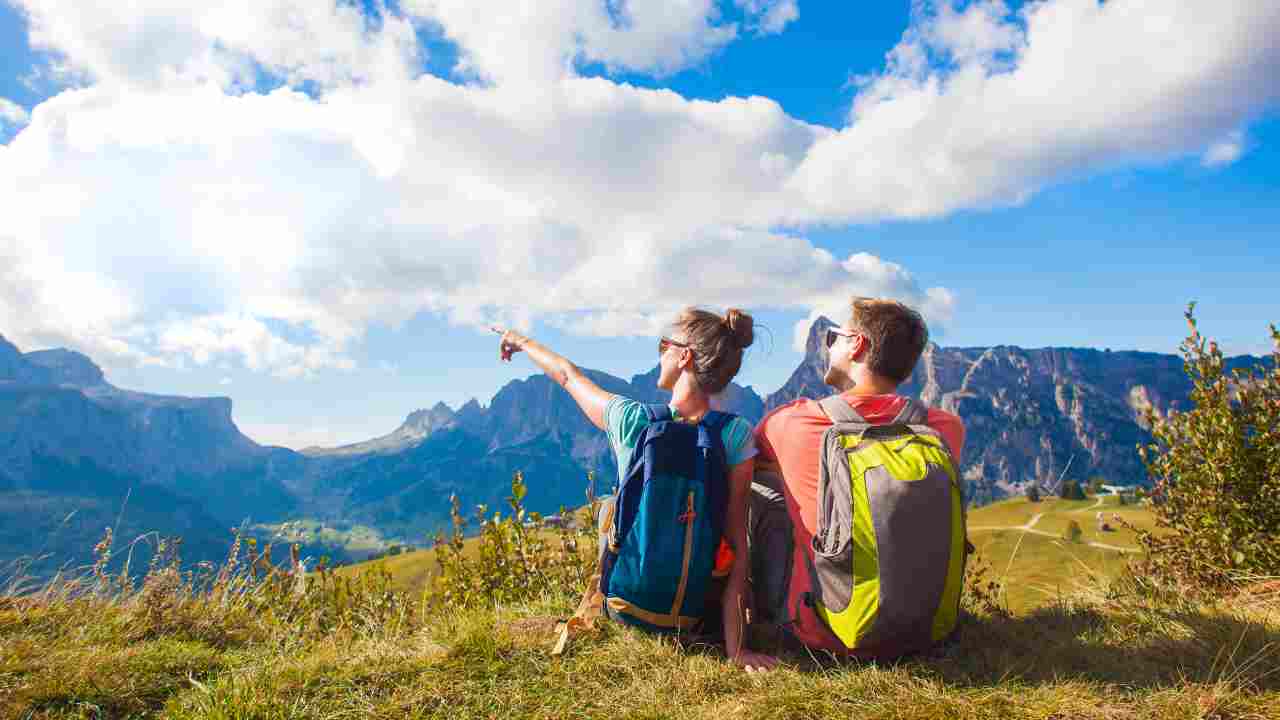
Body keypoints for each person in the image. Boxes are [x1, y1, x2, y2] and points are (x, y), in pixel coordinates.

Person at [494, 308, 779, 672]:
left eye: (664, 346)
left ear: (684, 356)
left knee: (609, 506)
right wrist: (737, 649)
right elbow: (736, 541)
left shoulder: (633, 419)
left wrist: (521, 341)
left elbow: (568, 376)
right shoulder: (734, 434)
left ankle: (606, 599)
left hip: (625, 609)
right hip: (694, 615)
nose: (659, 354)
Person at [749, 297, 966, 657]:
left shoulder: (793, 422)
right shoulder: (945, 429)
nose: (827, 345)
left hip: (824, 634)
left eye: (833, 337)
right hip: (926, 630)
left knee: (758, 488)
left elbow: (748, 464)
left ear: (857, 344)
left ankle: (727, 617)